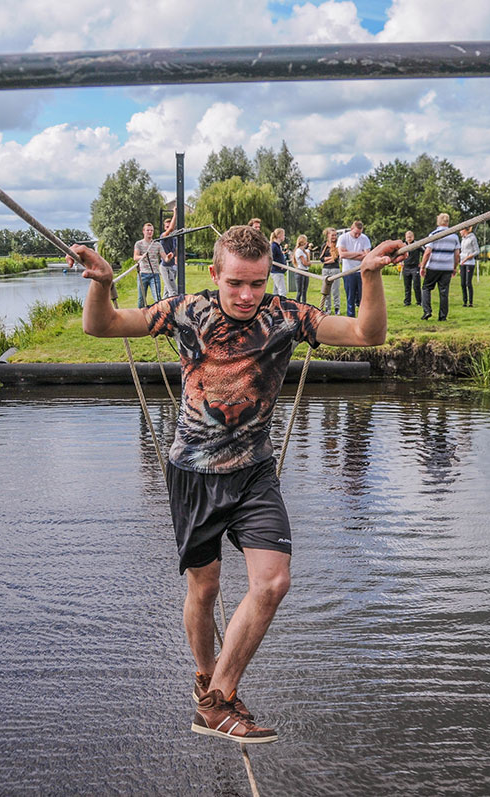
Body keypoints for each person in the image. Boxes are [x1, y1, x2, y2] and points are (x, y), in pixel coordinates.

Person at [75, 224, 400, 744]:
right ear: (214, 276)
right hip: (194, 475)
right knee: (204, 589)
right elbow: (103, 325)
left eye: (257, 283)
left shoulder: (288, 316)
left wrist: (370, 276)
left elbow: (369, 335)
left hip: (254, 473)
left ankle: (218, 700)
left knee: (273, 582)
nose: (247, 296)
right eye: (235, 284)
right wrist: (103, 282)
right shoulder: (186, 311)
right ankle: (207, 677)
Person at [420, 213, 458, 321]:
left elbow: (427, 252)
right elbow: (457, 254)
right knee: (444, 292)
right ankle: (442, 316)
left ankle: (427, 311)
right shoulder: (454, 236)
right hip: (447, 267)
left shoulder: (433, 234)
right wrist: (454, 267)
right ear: (448, 222)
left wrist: (422, 266)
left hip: (434, 266)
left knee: (426, 288)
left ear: (438, 221)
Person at [337, 221, 371, 317]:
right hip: (348, 272)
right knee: (350, 298)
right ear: (351, 229)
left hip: (361, 271)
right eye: (356, 233)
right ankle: (351, 319)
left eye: (359, 233)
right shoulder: (343, 238)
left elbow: (367, 256)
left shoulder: (364, 238)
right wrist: (359, 253)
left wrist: (350, 254)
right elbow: (342, 254)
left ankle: (362, 318)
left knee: (362, 298)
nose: (357, 235)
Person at [133, 222, 163, 307]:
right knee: (141, 299)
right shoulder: (139, 244)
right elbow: (135, 257)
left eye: (151, 230)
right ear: (143, 231)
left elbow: (165, 258)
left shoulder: (157, 244)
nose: (150, 232)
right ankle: (139, 317)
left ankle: (159, 317)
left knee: (157, 298)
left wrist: (169, 257)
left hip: (155, 274)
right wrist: (142, 256)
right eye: (148, 230)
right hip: (143, 274)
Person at [319, 228, 341, 314]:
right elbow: (321, 259)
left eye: (335, 235)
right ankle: (327, 308)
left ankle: (337, 308)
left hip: (334, 269)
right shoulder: (324, 246)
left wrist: (327, 259)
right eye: (332, 235)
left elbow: (335, 259)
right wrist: (329, 258)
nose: (334, 237)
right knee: (326, 290)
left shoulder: (338, 245)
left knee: (335, 290)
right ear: (328, 235)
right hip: (326, 269)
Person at [459, 225, 480, 308]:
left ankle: (470, 302)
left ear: (465, 230)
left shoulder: (472, 238)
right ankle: (464, 301)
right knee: (462, 283)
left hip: (470, 263)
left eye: (461, 230)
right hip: (462, 263)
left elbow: (477, 251)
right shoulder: (463, 239)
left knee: (468, 283)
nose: (460, 232)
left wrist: (468, 257)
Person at [160, 211, 179, 298]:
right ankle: (173, 310)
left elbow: (175, 249)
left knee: (167, 291)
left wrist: (176, 259)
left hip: (172, 266)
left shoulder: (174, 237)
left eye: (169, 225)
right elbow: (171, 229)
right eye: (167, 227)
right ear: (165, 228)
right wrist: (175, 213)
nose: (168, 228)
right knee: (173, 292)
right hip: (165, 266)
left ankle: (162, 309)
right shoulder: (163, 236)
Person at [400, 230, 422, 307]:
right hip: (406, 267)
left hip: (415, 267)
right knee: (407, 286)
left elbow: (425, 252)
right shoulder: (403, 245)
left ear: (413, 237)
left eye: (410, 237)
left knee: (416, 285)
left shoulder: (417, 244)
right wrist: (400, 262)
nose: (409, 238)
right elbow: (398, 254)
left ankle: (419, 302)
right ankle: (407, 302)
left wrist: (422, 263)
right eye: (407, 237)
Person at [269, 228, 289, 297]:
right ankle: (282, 306)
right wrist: (279, 265)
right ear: (279, 235)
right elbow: (270, 259)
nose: (284, 237)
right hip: (276, 272)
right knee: (282, 291)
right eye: (283, 235)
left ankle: (275, 306)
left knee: (276, 292)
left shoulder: (278, 246)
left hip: (278, 271)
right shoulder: (274, 246)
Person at [293, 234, 311, 303]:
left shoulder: (304, 251)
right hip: (300, 271)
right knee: (299, 291)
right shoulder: (299, 251)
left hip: (305, 271)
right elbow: (305, 263)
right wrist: (309, 263)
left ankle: (304, 304)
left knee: (304, 291)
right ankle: (297, 304)